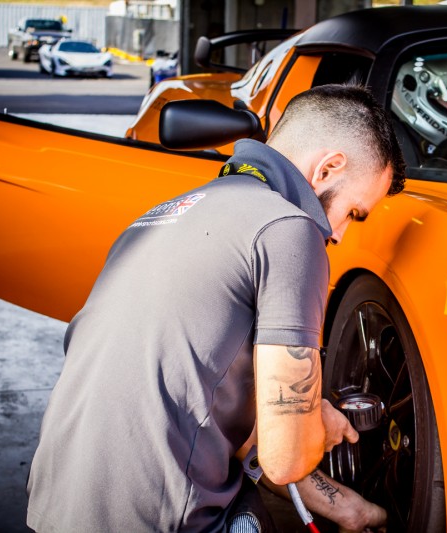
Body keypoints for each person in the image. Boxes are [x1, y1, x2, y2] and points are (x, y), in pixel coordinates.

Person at [25, 84, 406, 532]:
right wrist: (309, 418)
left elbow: (212, 419)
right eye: (353, 212)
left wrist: (345, 505)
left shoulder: (162, 215)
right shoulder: (289, 230)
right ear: (327, 168)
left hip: (52, 507)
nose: (339, 233)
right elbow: (285, 459)